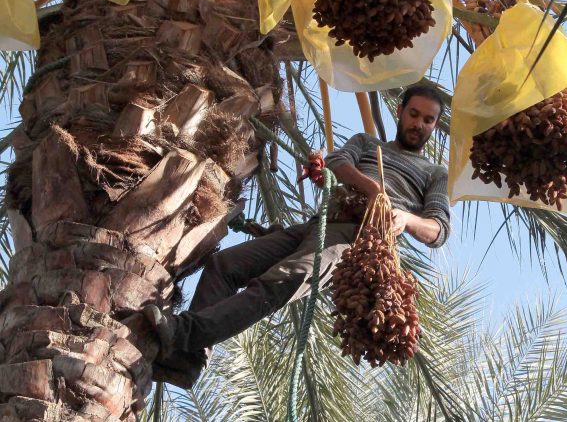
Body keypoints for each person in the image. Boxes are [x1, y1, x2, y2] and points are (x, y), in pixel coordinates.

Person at [144, 85, 451, 387]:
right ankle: (188, 361)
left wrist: (407, 218)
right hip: (318, 226)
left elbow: (438, 230)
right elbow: (336, 163)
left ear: (435, 125)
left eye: (428, 120)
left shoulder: (434, 173)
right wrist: (372, 188)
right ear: (400, 112)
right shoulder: (368, 144)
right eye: (414, 114)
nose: (419, 125)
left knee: (282, 279)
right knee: (224, 265)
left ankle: (185, 334)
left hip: (357, 239)